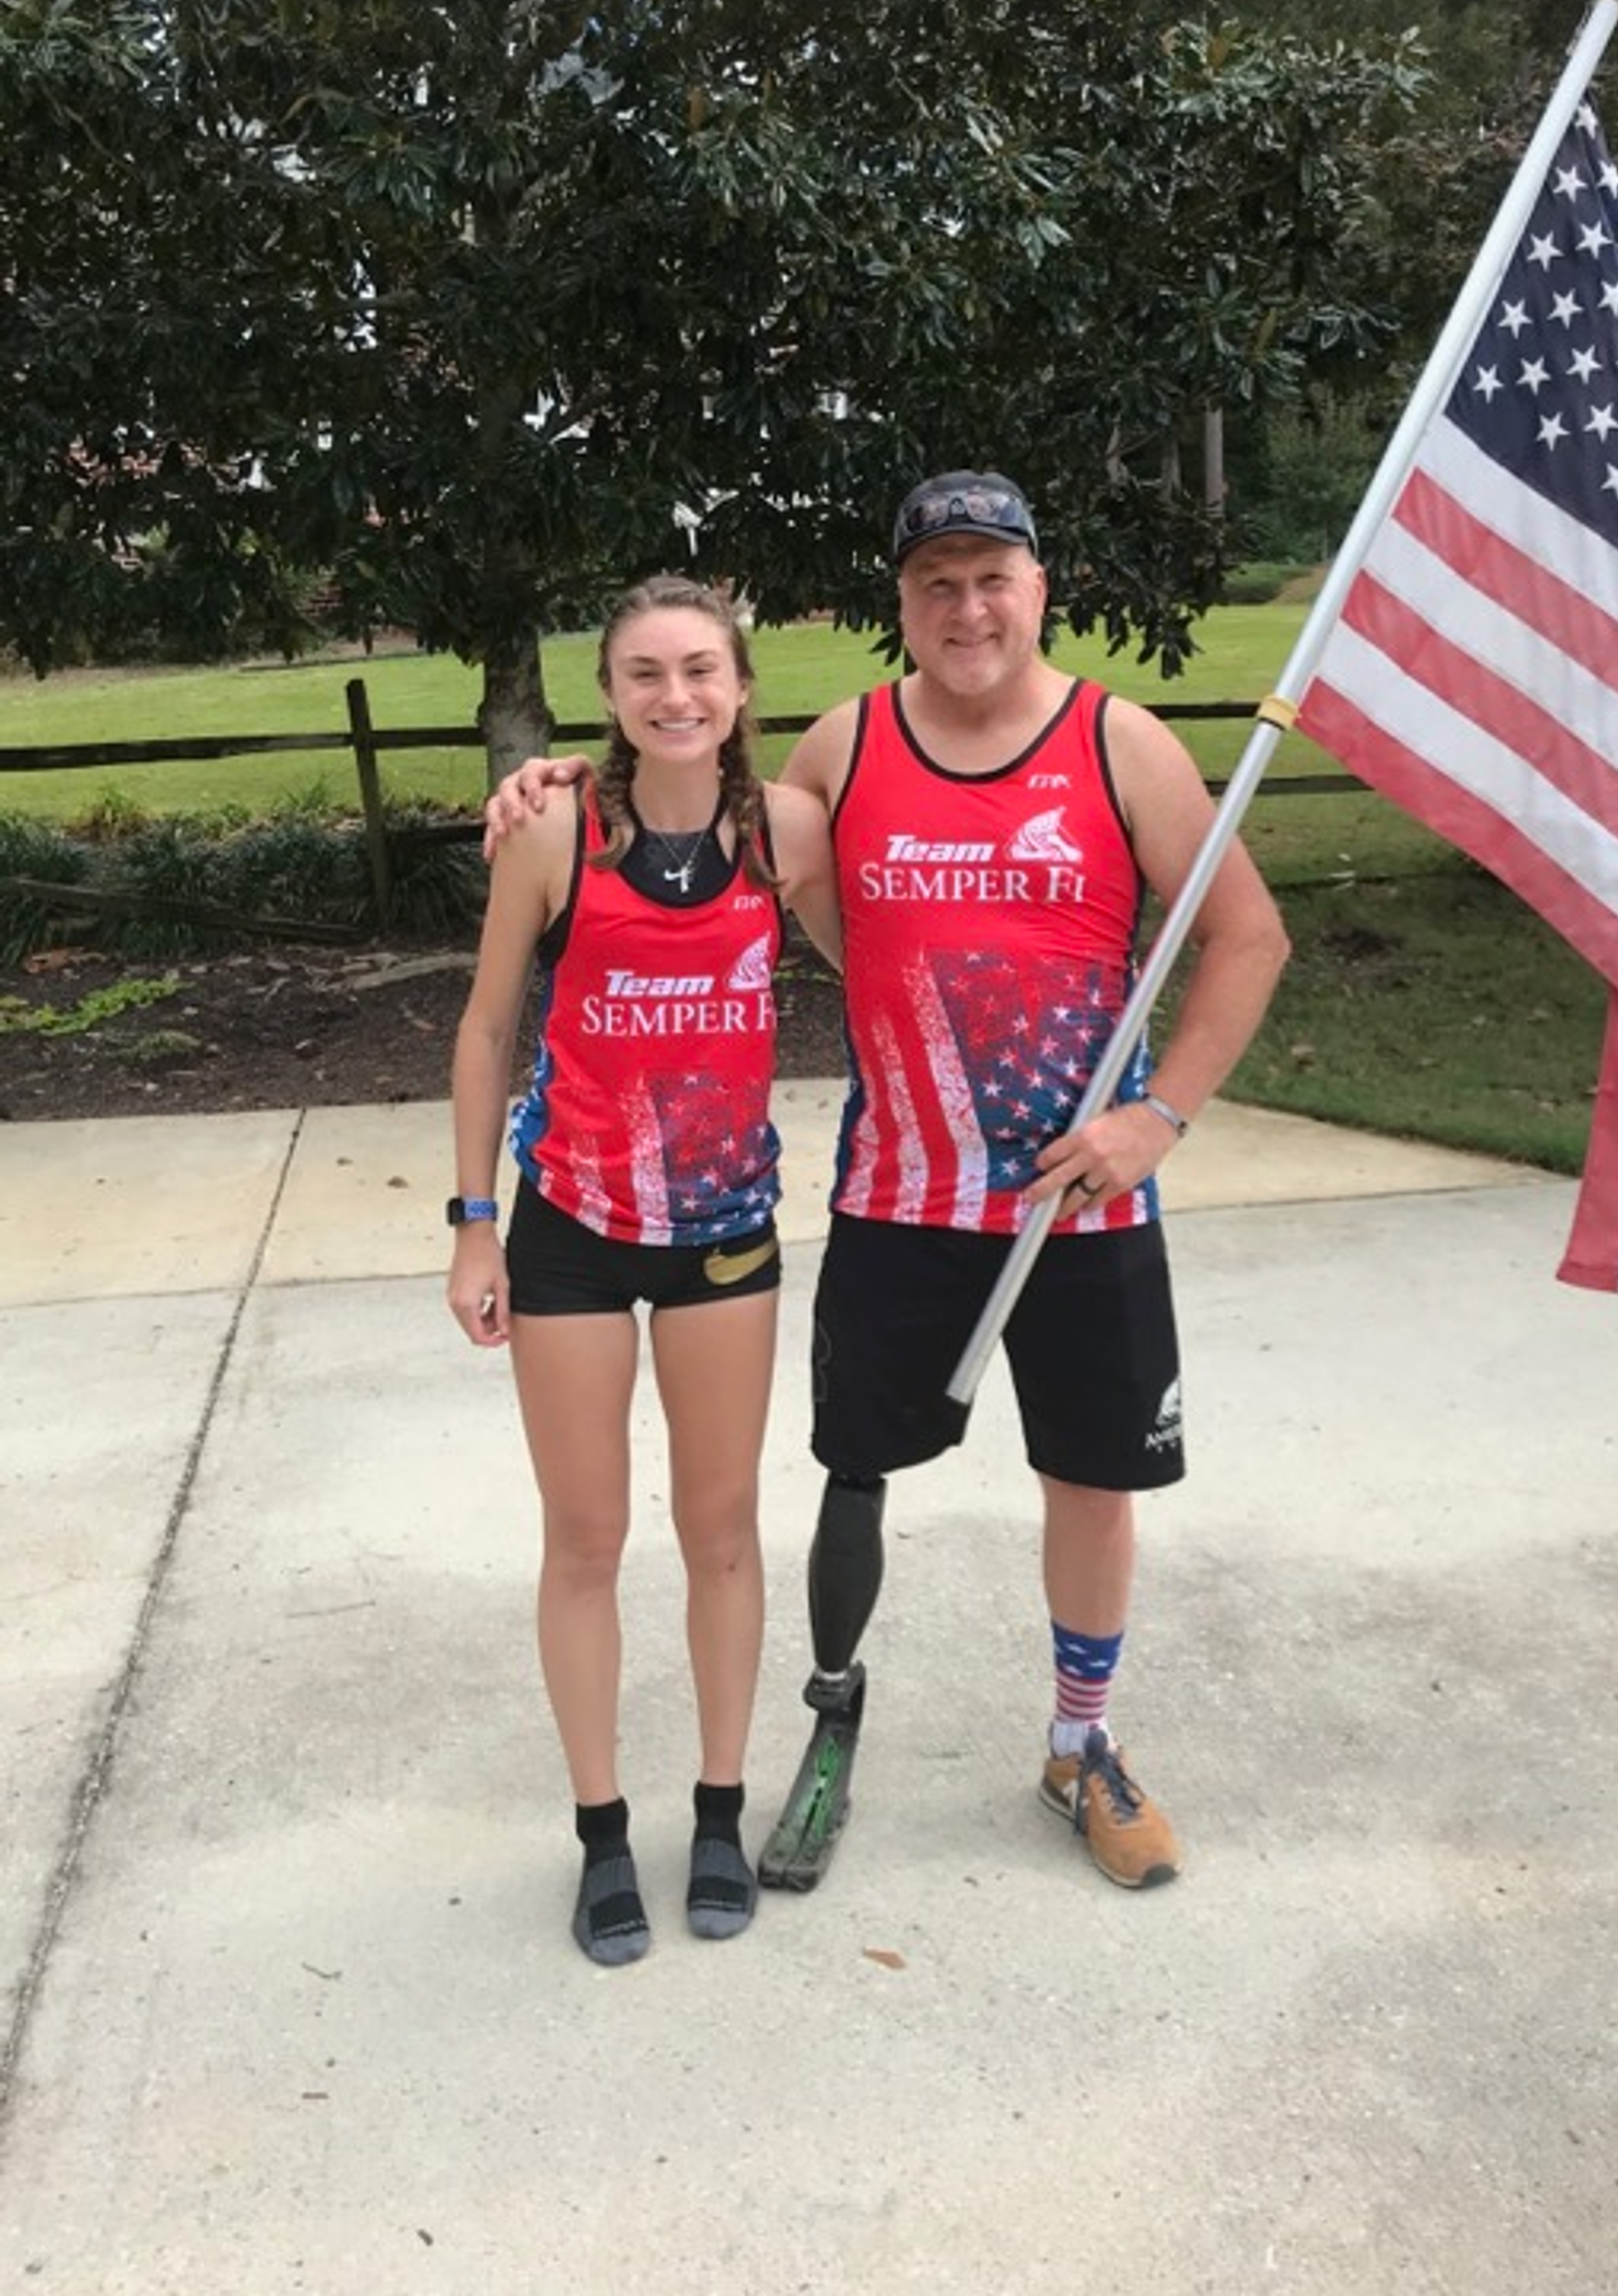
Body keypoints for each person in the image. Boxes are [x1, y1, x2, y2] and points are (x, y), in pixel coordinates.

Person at [486, 471, 1289, 1893]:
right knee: (853, 1474)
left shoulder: (1124, 746)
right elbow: (700, 808)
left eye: (993, 578)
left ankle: (1081, 1744)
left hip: (1077, 1203)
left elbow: (1248, 938)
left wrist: (1158, 1118)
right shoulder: (848, 746)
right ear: (901, 605)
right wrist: (555, 781)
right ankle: (831, 1722)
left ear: (1039, 587)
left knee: (1093, 1485)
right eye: (936, 583)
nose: (967, 607)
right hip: (898, 1198)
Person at [448, 574, 840, 1966]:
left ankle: (720, 1812)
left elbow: (883, 959)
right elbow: (491, 1029)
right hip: (568, 1226)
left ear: (741, 689)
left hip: (723, 1230)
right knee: (587, 1537)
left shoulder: (786, 832)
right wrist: (473, 1219)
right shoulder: (558, 826)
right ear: (608, 696)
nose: (676, 697)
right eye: (645, 675)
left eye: (701, 672)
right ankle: (602, 1831)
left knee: (722, 1529)